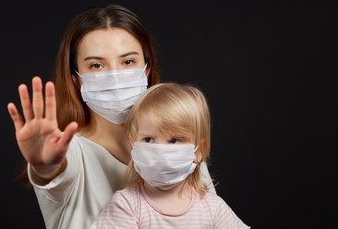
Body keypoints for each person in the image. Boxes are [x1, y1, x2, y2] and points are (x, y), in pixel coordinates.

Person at [7, 5, 215, 229]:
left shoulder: (180, 145)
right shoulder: (71, 152)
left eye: (128, 62)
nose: (115, 77)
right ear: (76, 79)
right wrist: (45, 165)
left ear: (147, 68)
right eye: (96, 65)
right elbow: (56, 173)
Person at [90, 83, 250, 229]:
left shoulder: (213, 209)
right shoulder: (127, 205)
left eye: (174, 140)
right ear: (133, 145)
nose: (159, 150)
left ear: (198, 151)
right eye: (148, 139)